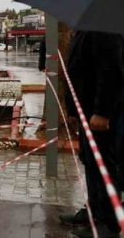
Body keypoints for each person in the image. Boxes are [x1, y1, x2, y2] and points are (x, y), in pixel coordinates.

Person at [60, 31, 123, 238]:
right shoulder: (86, 28)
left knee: (104, 165)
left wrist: (102, 112)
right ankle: (95, 211)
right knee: (90, 162)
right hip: (86, 111)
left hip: (101, 117)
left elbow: (111, 70)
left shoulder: (104, 28)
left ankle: (109, 223)